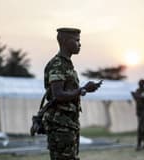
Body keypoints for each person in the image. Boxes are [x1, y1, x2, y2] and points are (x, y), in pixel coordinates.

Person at [42, 27, 102, 160]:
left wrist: (85, 89)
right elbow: (58, 94)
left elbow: (67, 91)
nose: (80, 44)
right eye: (77, 40)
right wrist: (83, 89)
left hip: (68, 123)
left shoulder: (67, 64)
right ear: (65, 41)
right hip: (60, 126)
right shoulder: (57, 64)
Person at [131, 79, 144, 151]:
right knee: (143, 127)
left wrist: (137, 95)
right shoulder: (138, 90)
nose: (140, 84)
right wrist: (134, 95)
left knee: (140, 127)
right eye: (139, 83)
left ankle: (139, 145)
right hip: (139, 111)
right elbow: (137, 100)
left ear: (143, 84)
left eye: (141, 83)